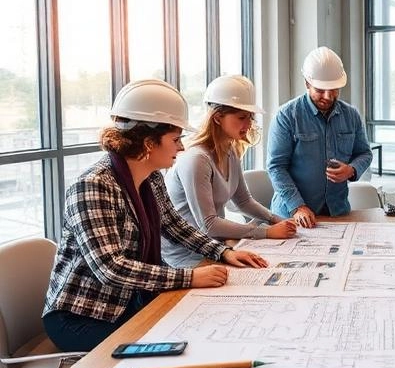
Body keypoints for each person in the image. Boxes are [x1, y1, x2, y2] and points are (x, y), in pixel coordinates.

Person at [43, 79, 268, 352]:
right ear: (149, 143)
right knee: (171, 350)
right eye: (175, 139)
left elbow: (174, 226)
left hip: (131, 300)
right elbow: (111, 269)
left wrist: (223, 252)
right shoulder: (93, 186)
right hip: (83, 315)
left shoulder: (151, 178)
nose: (182, 148)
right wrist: (189, 277)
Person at [163, 75, 296, 268]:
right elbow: (209, 224)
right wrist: (266, 232)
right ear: (217, 117)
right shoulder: (196, 159)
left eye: (250, 117)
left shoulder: (229, 150)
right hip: (187, 257)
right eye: (241, 117)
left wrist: (275, 219)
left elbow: (243, 200)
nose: (248, 124)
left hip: (215, 246)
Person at [267, 46, 372, 228]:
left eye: (334, 90)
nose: (328, 96)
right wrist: (297, 206)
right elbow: (276, 167)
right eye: (321, 90)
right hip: (292, 216)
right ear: (307, 83)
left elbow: (364, 153)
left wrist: (352, 170)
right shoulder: (286, 116)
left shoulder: (351, 115)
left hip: (337, 212)